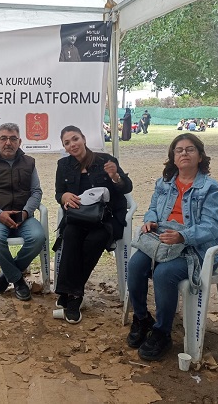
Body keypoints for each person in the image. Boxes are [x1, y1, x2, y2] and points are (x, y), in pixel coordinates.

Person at [126, 133, 218, 361]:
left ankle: (162, 332)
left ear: (200, 156)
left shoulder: (211, 188)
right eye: (179, 150)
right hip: (162, 242)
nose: (184, 153)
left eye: (190, 149)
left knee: (164, 274)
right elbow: (152, 208)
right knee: (135, 265)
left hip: (193, 249)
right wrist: (150, 220)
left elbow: (211, 227)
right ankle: (142, 319)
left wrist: (182, 236)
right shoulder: (164, 184)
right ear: (173, 156)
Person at [54, 126, 133, 323]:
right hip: (79, 217)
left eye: (75, 139)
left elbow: (126, 187)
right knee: (70, 235)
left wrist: (115, 177)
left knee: (95, 240)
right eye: (67, 143)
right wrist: (64, 196)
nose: (72, 145)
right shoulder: (63, 165)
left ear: (83, 138)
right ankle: (73, 293)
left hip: (106, 219)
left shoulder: (105, 160)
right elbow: (59, 193)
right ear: (64, 147)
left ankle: (71, 295)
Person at [0, 123, 45, 301]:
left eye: (13, 139)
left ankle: (6, 276)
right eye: (4, 138)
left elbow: (36, 192)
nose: (8, 143)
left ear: (19, 142)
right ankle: (18, 280)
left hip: (23, 217)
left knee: (38, 237)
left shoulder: (29, 162)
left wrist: (25, 213)